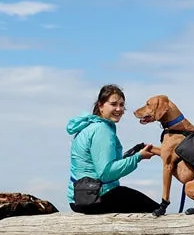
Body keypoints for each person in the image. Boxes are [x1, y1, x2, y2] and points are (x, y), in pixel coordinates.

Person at [66, 84, 161, 214]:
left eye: (122, 105)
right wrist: (138, 157)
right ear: (100, 105)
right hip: (95, 198)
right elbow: (106, 173)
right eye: (113, 104)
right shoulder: (102, 131)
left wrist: (131, 156)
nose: (119, 109)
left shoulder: (90, 126)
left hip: (80, 197)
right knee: (158, 211)